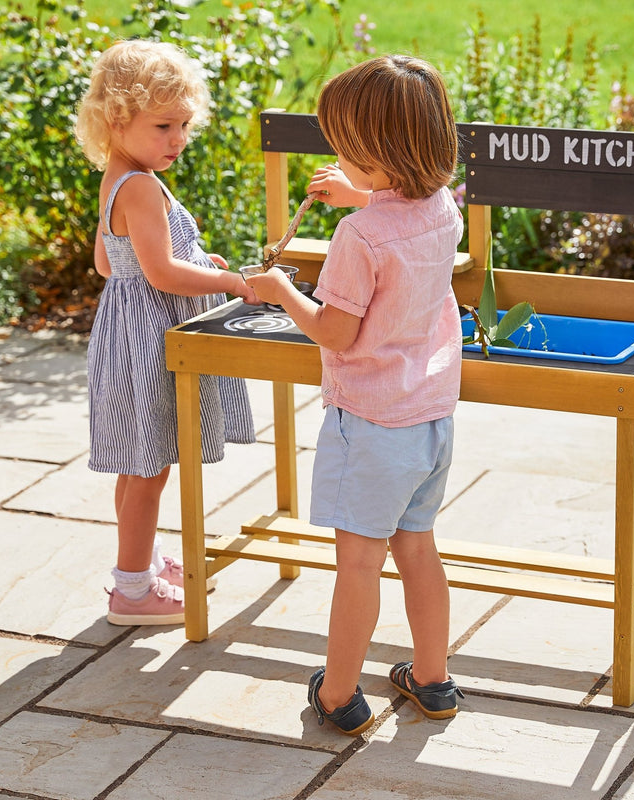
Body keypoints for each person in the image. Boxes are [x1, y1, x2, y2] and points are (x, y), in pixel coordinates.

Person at [246, 54, 464, 736]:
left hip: (369, 424)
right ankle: (433, 680)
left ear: (375, 154)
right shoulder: (442, 209)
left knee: (359, 566)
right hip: (430, 421)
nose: (336, 155)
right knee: (418, 549)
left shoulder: (358, 236)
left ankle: (339, 694)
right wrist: (362, 192)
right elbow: (403, 226)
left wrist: (281, 289)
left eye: (344, 147)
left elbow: (336, 333)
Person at [74, 40, 260, 626]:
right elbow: (160, 273)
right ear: (116, 119)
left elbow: (108, 263)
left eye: (183, 125)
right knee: (150, 469)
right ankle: (132, 592)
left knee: (138, 461)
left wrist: (193, 259)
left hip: (125, 335)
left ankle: (143, 563)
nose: (177, 139)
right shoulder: (142, 186)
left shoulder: (119, 176)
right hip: (153, 342)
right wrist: (229, 281)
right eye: (163, 126)